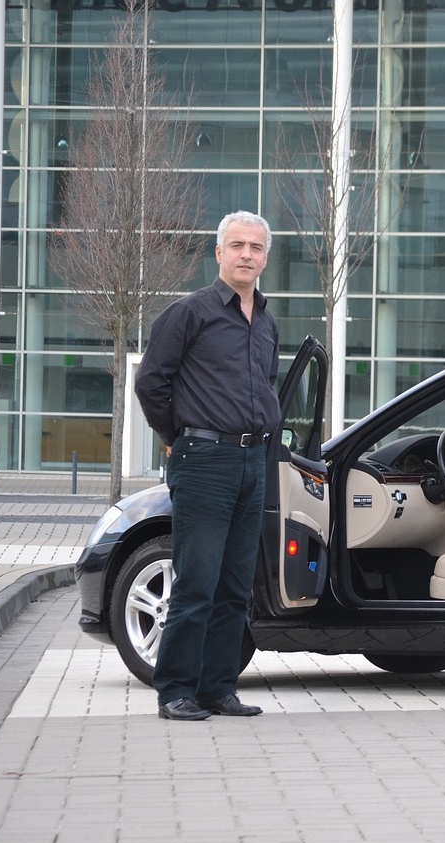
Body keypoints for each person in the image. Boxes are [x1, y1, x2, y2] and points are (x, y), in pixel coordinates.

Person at [135, 210, 280, 721]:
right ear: (219, 253)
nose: (246, 255)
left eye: (255, 247)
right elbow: (151, 382)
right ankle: (175, 690)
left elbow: (266, 386)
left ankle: (219, 689)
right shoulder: (189, 313)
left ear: (265, 258)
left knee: (236, 586)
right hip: (204, 460)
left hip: (252, 460)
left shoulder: (266, 322)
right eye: (237, 245)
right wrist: (175, 437)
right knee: (196, 582)